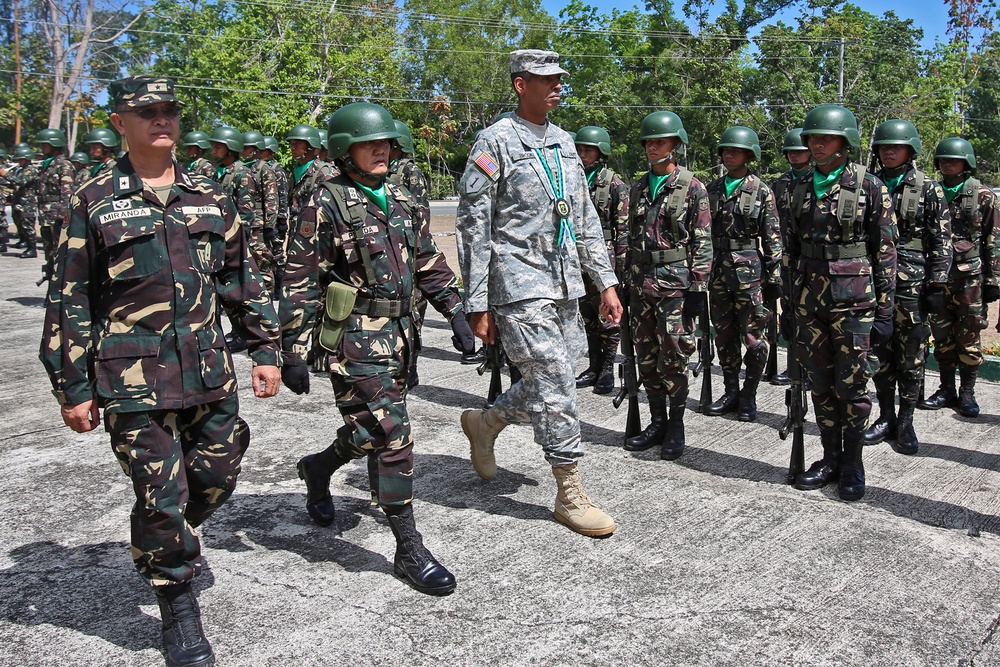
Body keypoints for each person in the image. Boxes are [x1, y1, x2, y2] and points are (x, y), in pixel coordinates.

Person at [38, 75, 281, 667]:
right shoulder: (94, 199)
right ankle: (178, 607)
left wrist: (266, 348)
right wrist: (72, 386)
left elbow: (238, 279)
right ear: (120, 122)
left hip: (208, 370)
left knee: (218, 475)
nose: (161, 119)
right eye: (146, 111)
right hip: (131, 379)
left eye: (169, 110)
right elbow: (69, 299)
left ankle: (164, 534)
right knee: (161, 493)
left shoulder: (210, 194)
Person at [280, 102, 471, 596]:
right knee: (392, 434)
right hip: (354, 339)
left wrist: (455, 311)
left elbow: (427, 259)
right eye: (370, 143)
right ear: (346, 150)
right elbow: (300, 281)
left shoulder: (404, 198)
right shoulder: (324, 202)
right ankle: (408, 548)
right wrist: (293, 349)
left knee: (371, 430)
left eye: (386, 141)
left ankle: (319, 467)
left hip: (404, 335)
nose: (381, 148)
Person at [456, 49, 622, 538]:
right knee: (555, 380)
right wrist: (478, 301)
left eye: (558, 79)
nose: (556, 87)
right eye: (544, 79)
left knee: (562, 373)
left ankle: (486, 422)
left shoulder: (565, 142)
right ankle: (569, 490)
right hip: (518, 279)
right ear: (519, 85)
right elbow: (473, 225)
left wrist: (605, 281)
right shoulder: (495, 143)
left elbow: (585, 216)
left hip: (565, 279)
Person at [781, 104, 896, 502]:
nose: (815, 143)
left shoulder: (868, 186)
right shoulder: (795, 188)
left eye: (824, 137)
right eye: (812, 137)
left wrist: (885, 311)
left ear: (845, 143)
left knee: (853, 384)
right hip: (808, 302)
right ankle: (829, 457)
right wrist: (787, 307)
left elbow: (885, 252)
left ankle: (852, 462)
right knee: (820, 382)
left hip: (854, 302)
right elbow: (789, 251)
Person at [621, 111, 712, 459]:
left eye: (659, 141)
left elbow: (702, 243)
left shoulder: (693, 187)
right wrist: (626, 282)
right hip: (641, 285)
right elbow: (630, 239)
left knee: (673, 357)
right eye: (648, 142)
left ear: (676, 146)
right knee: (646, 357)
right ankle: (656, 421)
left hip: (676, 287)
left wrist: (698, 290)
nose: (651, 147)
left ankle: (676, 425)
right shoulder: (639, 187)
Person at [864, 120, 951, 454]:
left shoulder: (928, 188)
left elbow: (941, 239)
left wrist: (937, 284)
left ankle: (906, 420)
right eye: (884, 146)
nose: (889, 151)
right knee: (879, 351)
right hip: (871, 280)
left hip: (912, 284)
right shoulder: (867, 184)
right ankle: (885, 415)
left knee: (911, 355)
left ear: (910, 151)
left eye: (896, 147)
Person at [704, 126, 782, 422]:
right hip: (717, 272)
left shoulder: (761, 191)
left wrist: (774, 278)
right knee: (723, 335)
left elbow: (773, 236)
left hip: (750, 275)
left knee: (754, 336)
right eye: (725, 150)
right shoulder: (711, 189)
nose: (728, 154)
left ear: (749, 155)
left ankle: (750, 394)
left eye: (735, 150)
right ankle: (731, 391)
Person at [919, 138, 1000, 417]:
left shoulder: (983, 195)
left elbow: (994, 239)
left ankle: (967, 392)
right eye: (942, 159)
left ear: (967, 163)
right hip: (938, 278)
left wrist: (993, 281)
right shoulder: (932, 192)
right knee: (941, 336)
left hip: (970, 281)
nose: (947, 163)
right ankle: (945, 389)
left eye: (953, 159)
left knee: (969, 335)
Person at [573, 125, 629, 395]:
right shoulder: (572, 179)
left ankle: (607, 368)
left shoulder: (614, 185)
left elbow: (624, 230)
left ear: (601, 152)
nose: (583, 153)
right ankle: (593, 366)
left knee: (607, 317)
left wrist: (619, 268)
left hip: (604, 260)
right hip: (576, 258)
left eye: (588, 149)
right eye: (580, 148)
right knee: (586, 316)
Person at [769, 128, 812, 386]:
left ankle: (811, 369)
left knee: (812, 316)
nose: (795, 156)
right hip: (787, 260)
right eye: (791, 152)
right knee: (789, 315)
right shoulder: (780, 183)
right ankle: (794, 366)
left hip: (812, 259)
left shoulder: (816, 180)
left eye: (800, 151)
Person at [34, 128, 76, 275]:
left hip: (57, 218)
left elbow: (67, 193)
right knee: (49, 253)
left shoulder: (64, 165)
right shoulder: (46, 165)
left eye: (44, 144)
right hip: (46, 217)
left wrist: (63, 219)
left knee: (60, 253)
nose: (41, 147)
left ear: (54, 145)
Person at [260, 135, 290, 296]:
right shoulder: (259, 168)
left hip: (277, 218)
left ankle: (279, 286)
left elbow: (283, 196)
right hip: (264, 218)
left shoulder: (277, 170)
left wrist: (282, 219)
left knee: (278, 254)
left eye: (262, 150)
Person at [0, 142, 39, 254]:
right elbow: (14, 184)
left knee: (28, 225)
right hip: (19, 200)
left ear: (27, 159)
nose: (18, 162)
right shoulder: (20, 170)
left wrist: (5, 174)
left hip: (27, 202)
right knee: (19, 222)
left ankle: (32, 249)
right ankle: (24, 242)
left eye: (20, 159)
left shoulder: (31, 170)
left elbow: (22, 182)